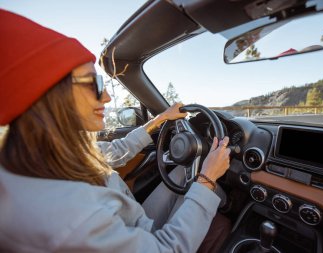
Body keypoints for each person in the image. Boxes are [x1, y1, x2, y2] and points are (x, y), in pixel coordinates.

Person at [0, 9, 231, 253]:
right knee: (221, 225)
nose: (108, 97)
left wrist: (161, 118)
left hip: (133, 226)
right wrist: (207, 179)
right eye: (95, 84)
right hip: (150, 241)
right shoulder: (71, 219)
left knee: (182, 173)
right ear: (52, 95)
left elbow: (117, 151)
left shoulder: (51, 152)